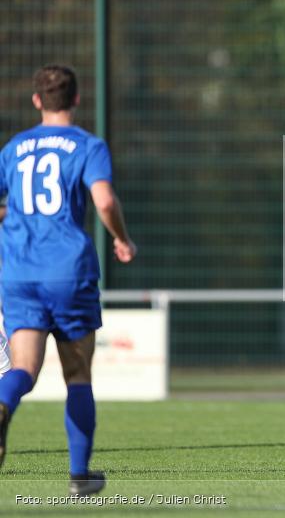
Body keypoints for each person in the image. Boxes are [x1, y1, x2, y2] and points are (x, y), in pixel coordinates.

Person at [0, 65, 137, 496]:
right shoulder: (88, 146)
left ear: (37, 100)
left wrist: (16, 221)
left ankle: (3, 402)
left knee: (23, 367)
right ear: (76, 100)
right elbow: (104, 200)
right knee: (78, 374)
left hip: (19, 271)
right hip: (68, 271)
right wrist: (122, 238)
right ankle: (79, 476)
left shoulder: (14, 148)